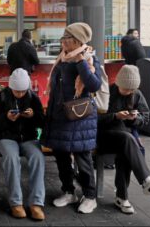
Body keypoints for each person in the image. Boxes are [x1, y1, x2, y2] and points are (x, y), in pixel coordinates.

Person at [98, 65, 150, 214]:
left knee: (126, 148)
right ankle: (146, 182)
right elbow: (95, 119)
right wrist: (116, 116)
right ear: (119, 83)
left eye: (132, 89)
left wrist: (134, 119)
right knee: (128, 140)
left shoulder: (136, 94)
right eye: (126, 89)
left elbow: (145, 117)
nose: (129, 92)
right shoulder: (107, 93)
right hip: (104, 136)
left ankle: (122, 198)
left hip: (124, 138)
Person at [44, 22, 102, 214]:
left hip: (80, 117)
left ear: (76, 40)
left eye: (65, 38)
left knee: (82, 157)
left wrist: (80, 62)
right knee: (61, 156)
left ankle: (90, 196)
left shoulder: (90, 59)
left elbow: (94, 85)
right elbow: (56, 89)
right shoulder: (62, 59)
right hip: (60, 116)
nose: (62, 41)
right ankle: (69, 191)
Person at [0, 68, 46, 220]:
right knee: (11, 159)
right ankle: (16, 203)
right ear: (10, 87)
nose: (20, 94)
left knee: (38, 158)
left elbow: (42, 121)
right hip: (6, 137)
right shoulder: (0, 97)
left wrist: (33, 115)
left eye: (23, 91)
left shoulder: (33, 97)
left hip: (29, 137)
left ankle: (36, 202)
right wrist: (6, 118)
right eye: (17, 91)